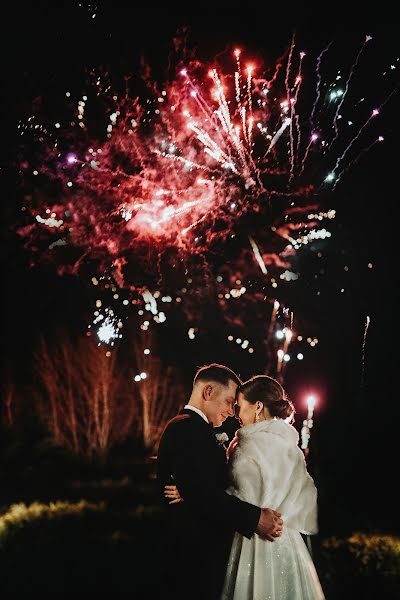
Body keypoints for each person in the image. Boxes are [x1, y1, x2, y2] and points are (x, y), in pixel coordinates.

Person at [166, 375, 325, 600]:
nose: (236, 414)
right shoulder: (291, 446)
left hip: (253, 541)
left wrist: (191, 490)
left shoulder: (249, 446)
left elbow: (237, 496)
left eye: (239, 406)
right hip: (287, 542)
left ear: (258, 406)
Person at [156, 364, 283, 600]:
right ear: (208, 392)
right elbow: (204, 494)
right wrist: (255, 518)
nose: (231, 412)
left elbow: (202, 487)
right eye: (228, 402)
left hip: (201, 557)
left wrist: (190, 490)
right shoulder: (186, 428)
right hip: (193, 560)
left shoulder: (195, 428)